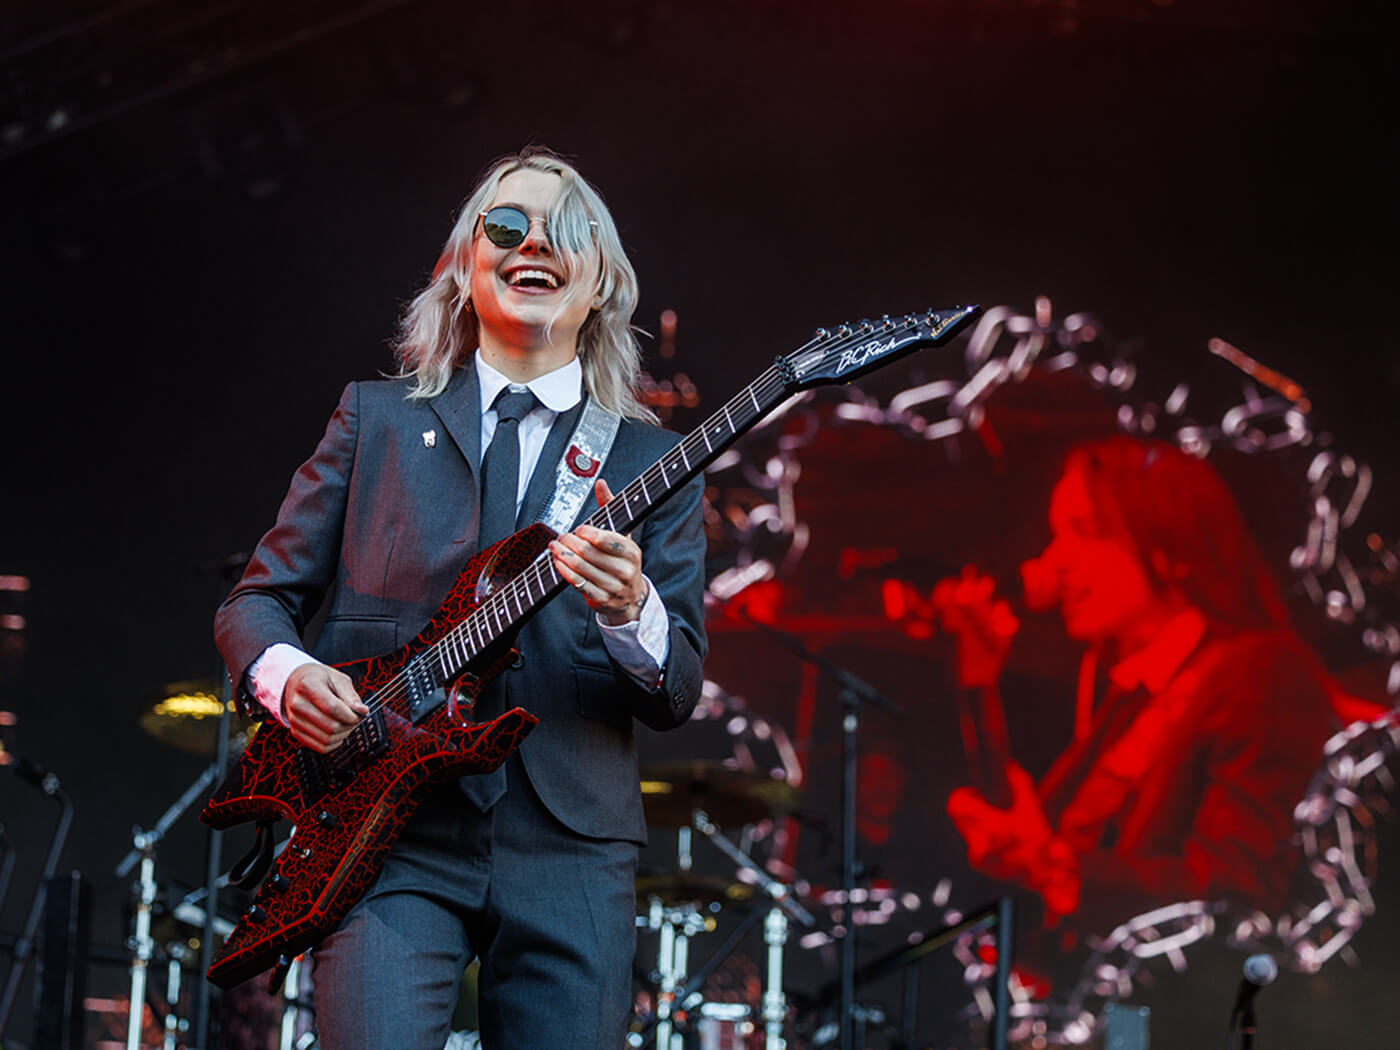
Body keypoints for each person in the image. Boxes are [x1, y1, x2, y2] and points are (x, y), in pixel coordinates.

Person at [213, 147, 707, 1049]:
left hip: (572, 847)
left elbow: (676, 691)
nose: (536, 245)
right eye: (508, 226)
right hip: (390, 835)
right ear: (463, 265)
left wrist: (631, 611)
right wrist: (289, 678)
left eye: (567, 233)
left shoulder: (648, 463)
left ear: (600, 282)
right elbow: (255, 602)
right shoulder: (376, 419)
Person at [935, 436, 1332, 932]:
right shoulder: (1136, 694)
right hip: (1085, 997)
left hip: (1156, 1007)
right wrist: (979, 682)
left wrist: (1053, 868)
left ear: (1166, 543)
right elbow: (1033, 839)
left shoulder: (1262, 675)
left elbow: (1235, 888)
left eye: (1082, 532)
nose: (1057, 562)